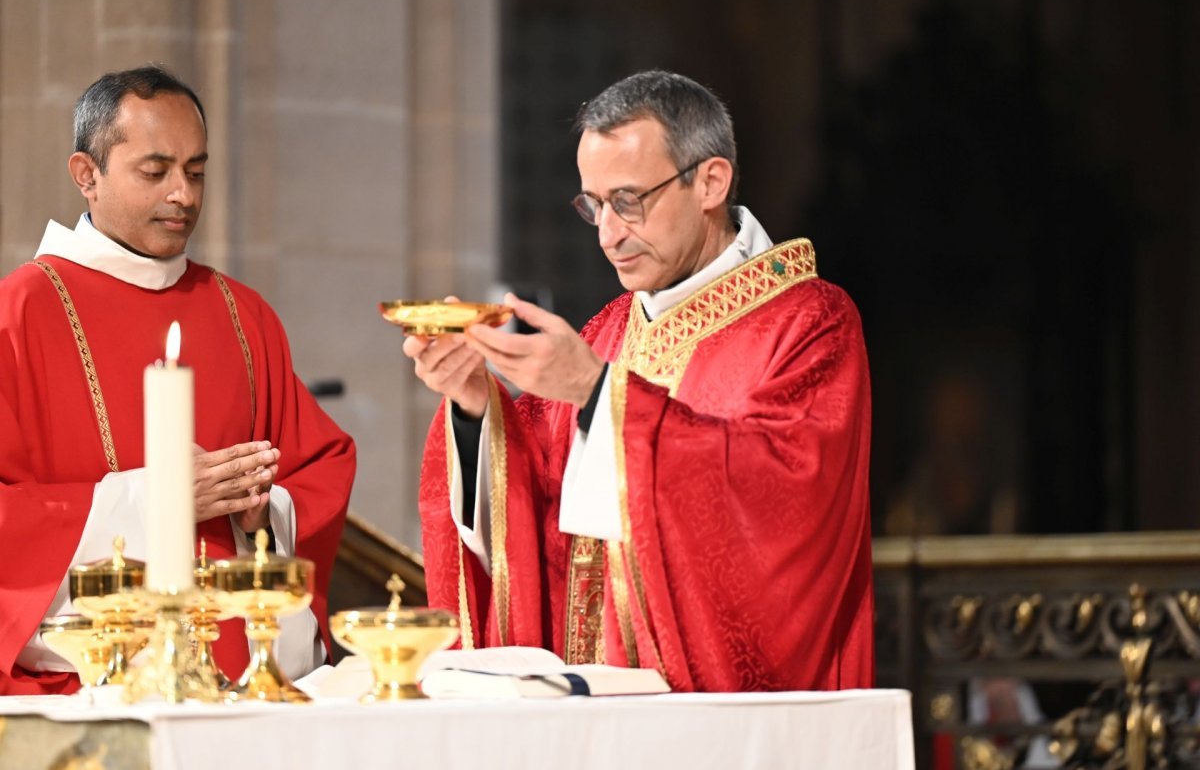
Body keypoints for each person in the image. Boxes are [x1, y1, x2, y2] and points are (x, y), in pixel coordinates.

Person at [405, 70, 873, 692]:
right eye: (592, 206)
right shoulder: (609, 330)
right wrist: (474, 406)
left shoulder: (808, 322)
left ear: (710, 181)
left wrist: (602, 395)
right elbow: (535, 504)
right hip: (593, 713)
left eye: (628, 201)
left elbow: (780, 509)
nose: (608, 233)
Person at [0, 66, 356, 695]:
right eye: (154, 171)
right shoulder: (21, 313)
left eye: (195, 172)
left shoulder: (243, 316)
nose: (183, 196)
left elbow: (317, 468)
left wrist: (263, 513)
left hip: (244, 684)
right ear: (86, 175)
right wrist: (146, 500)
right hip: (98, 685)